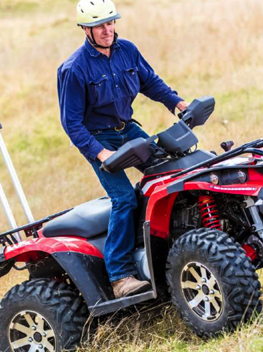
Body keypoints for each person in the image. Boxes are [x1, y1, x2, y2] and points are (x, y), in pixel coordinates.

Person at [57, 0, 189, 299]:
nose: (108, 30)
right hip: (97, 139)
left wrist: (178, 104)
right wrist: (101, 154)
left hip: (127, 129)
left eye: (111, 22)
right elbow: (72, 124)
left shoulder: (127, 49)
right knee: (124, 199)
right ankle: (120, 276)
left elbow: (151, 83)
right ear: (85, 29)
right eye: (100, 26)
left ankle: (173, 239)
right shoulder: (74, 69)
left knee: (173, 172)